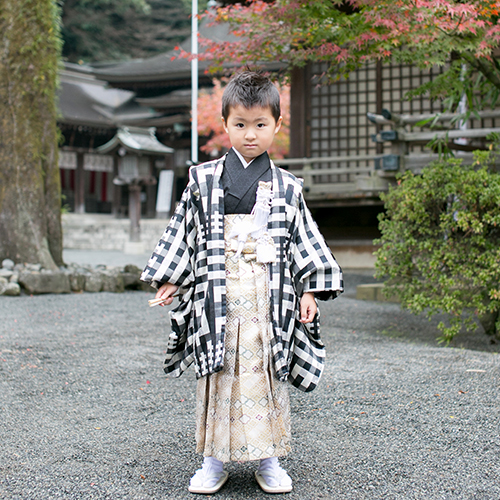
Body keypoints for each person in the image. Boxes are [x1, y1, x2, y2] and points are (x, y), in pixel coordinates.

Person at [141, 71, 343, 495]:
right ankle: (212, 461)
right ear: (225, 123)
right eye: (240, 124)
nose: (250, 135)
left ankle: (268, 460)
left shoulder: (288, 187)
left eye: (260, 125)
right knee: (217, 372)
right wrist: (171, 279)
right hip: (217, 294)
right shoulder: (202, 179)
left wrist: (309, 289)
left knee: (266, 372)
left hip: (269, 298)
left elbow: (304, 239)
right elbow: (184, 231)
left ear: (276, 125)